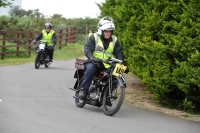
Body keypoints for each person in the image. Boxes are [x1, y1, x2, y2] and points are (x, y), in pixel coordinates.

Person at [78, 16, 129, 100]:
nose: (108, 33)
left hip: (106, 64)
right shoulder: (94, 37)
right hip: (93, 62)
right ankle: (84, 90)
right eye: (106, 31)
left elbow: (118, 52)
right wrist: (91, 57)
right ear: (101, 30)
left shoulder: (114, 39)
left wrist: (121, 63)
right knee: (91, 69)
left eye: (110, 31)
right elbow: (87, 48)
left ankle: (107, 96)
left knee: (117, 73)